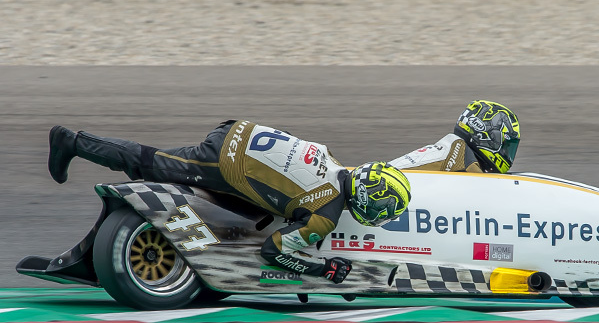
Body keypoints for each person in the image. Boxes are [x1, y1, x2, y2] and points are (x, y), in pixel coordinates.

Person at [47, 120, 411, 284]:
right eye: (384, 209)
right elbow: (274, 251)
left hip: (241, 132)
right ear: (369, 198)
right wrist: (322, 269)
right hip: (227, 159)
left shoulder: (332, 161)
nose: (380, 217)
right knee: (149, 164)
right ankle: (72, 142)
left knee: (251, 211)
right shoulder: (325, 217)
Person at [390, 100, 520, 173]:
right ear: (488, 137)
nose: (508, 153)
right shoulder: (464, 160)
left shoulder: (453, 147)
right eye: (507, 146)